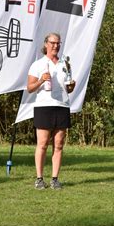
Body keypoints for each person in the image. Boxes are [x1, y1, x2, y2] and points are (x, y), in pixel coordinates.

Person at [27, 33, 76, 190]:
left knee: (59, 144)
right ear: (46, 44)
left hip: (62, 106)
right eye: (53, 43)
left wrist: (71, 86)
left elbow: (68, 88)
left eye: (58, 43)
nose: (56, 46)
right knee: (42, 144)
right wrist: (41, 80)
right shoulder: (38, 64)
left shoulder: (65, 64)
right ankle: (39, 179)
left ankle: (55, 179)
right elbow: (29, 88)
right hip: (44, 106)